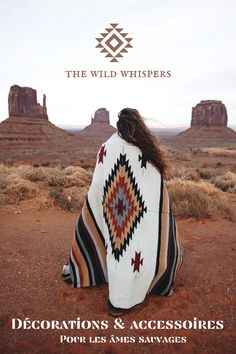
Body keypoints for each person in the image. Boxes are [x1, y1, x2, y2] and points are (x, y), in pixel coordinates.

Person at [62, 108, 183, 316]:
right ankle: (128, 293)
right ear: (139, 126)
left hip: (112, 211)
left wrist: (96, 204)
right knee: (135, 248)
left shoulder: (107, 147)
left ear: (118, 125)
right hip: (138, 214)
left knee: (116, 247)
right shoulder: (145, 151)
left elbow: (99, 183)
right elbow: (156, 188)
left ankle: (118, 297)